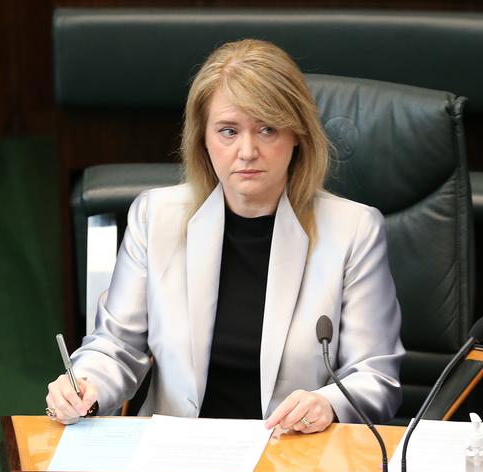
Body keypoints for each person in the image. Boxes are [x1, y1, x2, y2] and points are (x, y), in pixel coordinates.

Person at [46, 39, 404, 433]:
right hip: (176, 455)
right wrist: (85, 384)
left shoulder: (353, 230)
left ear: (298, 134)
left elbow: (376, 377)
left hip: (290, 456)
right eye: (228, 131)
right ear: (203, 137)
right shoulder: (156, 217)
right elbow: (117, 347)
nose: (246, 151)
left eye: (267, 129)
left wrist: (328, 403)